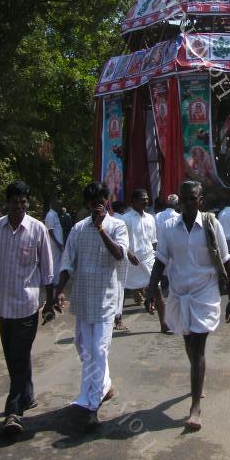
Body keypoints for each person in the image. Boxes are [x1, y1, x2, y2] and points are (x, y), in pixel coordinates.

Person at [147, 180, 230, 431]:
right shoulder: (168, 228)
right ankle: (198, 377)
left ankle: (195, 407)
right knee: (188, 343)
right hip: (179, 294)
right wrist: (151, 289)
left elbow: (227, 260)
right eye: (183, 198)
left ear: (201, 201)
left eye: (192, 198)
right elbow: (160, 261)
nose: (187, 203)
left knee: (197, 347)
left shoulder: (211, 224)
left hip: (205, 293)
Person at [49, 181, 128, 430]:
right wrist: (59, 289)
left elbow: (119, 255)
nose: (98, 205)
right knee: (83, 347)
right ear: (87, 205)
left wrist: (101, 230)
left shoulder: (117, 226)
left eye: (101, 201)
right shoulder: (77, 229)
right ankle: (102, 387)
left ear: (106, 201)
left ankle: (91, 405)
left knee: (99, 350)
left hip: (105, 299)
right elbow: (67, 261)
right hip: (83, 298)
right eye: (93, 202)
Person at [0, 181, 52, 434]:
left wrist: (51, 301)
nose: (20, 206)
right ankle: (28, 394)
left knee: (19, 355)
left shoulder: (37, 229)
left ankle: (13, 411)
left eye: (24, 201)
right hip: (3, 304)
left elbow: (47, 269)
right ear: (7, 202)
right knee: (14, 356)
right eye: (15, 201)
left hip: (27, 305)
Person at [123, 189, 169, 333]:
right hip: (130, 262)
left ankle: (164, 324)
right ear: (133, 202)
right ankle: (117, 318)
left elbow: (153, 241)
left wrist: (157, 258)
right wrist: (129, 253)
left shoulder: (150, 218)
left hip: (148, 260)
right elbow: (121, 242)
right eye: (143, 199)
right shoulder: (125, 219)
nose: (146, 201)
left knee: (158, 290)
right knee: (121, 291)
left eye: (147, 199)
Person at [111, 201, 129, 331]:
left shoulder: (111, 220)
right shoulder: (122, 220)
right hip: (121, 258)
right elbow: (124, 244)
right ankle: (118, 320)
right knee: (119, 290)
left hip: (112, 261)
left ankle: (116, 319)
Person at [45, 199, 64, 290]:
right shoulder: (50, 215)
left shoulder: (55, 215)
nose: (59, 207)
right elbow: (50, 231)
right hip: (54, 244)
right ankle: (52, 282)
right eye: (58, 205)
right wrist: (58, 243)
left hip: (58, 244)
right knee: (54, 262)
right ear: (53, 205)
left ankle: (56, 281)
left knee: (57, 262)